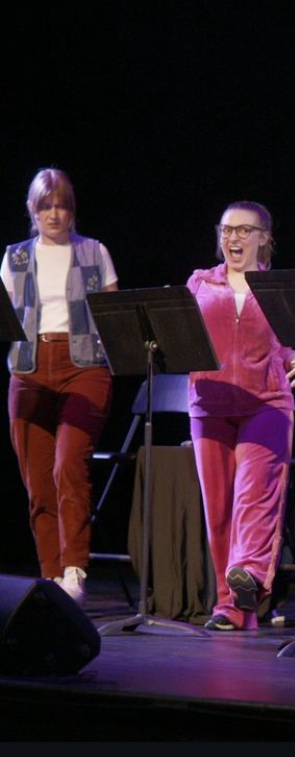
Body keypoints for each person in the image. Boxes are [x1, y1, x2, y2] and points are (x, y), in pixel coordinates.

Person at [188, 200, 295, 631]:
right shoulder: (200, 284)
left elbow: (286, 349)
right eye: (227, 230)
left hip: (266, 404)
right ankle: (232, 608)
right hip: (210, 405)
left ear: (265, 238)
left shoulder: (280, 290)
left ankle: (249, 575)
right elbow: (182, 340)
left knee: (254, 497)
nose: (234, 239)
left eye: (245, 231)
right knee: (219, 510)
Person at [1, 168, 118, 605]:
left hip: (83, 365)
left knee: (68, 465)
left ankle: (74, 569)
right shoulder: (15, 257)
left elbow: (112, 313)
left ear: (72, 210)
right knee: (37, 480)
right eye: (46, 205)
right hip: (29, 368)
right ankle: (50, 577)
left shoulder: (94, 252)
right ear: (32, 210)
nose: (54, 213)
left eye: (62, 205)